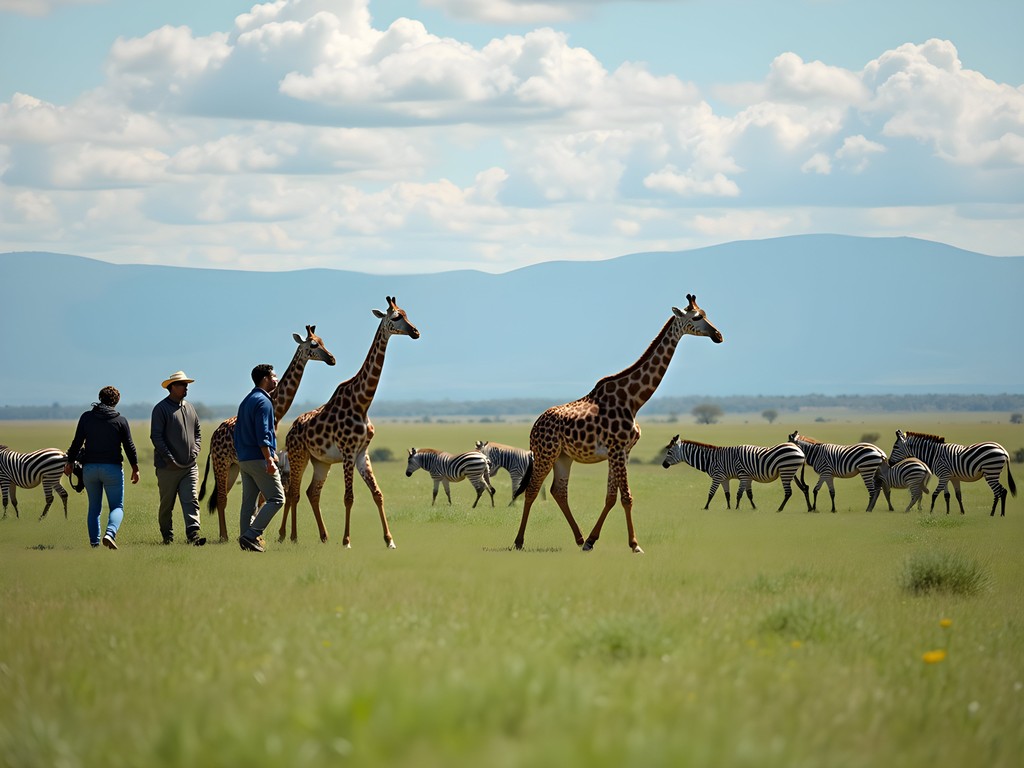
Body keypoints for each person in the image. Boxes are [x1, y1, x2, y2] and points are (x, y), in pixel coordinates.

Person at [64, 386, 141, 549]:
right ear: (117, 401)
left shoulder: (86, 417)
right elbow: (129, 446)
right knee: (117, 507)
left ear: (100, 398)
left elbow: (76, 443)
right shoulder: (120, 420)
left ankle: (94, 544)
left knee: (94, 508)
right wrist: (135, 468)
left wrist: (69, 463)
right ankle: (110, 533)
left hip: (90, 469)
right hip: (112, 469)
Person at [150, 370, 206, 546]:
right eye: (182, 384)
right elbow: (156, 437)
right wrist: (169, 458)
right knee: (167, 504)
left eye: (186, 384)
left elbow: (197, 432)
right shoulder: (160, 409)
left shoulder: (189, 407)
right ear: (172, 387)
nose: (186, 387)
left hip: (189, 466)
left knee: (191, 500)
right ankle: (167, 536)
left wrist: (196, 450)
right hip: (167, 468)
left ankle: (193, 535)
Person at [234, 363, 285, 552]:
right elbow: (263, 433)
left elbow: (239, 432)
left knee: (248, 503)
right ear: (265, 379)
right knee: (278, 499)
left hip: (245, 460)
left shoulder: (247, 400)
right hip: (259, 459)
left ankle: (245, 542)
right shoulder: (264, 402)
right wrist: (269, 458)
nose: (276, 380)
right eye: (274, 376)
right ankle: (251, 535)